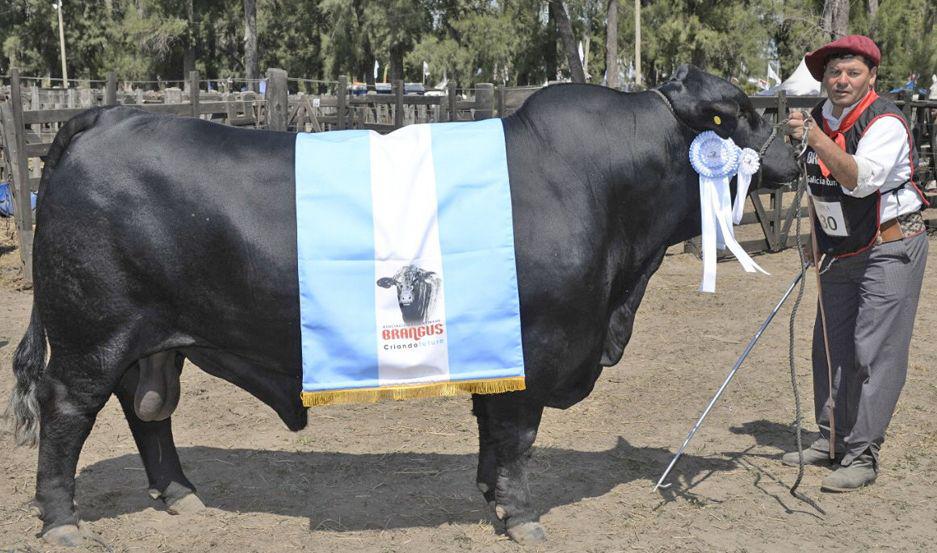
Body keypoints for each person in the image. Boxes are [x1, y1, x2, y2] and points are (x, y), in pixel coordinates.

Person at [783, 35, 929, 492]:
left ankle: (862, 453)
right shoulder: (821, 118)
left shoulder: (885, 120)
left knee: (874, 352)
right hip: (840, 249)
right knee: (829, 345)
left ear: (871, 78)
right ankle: (831, 439)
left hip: (890, 246)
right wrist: (814, 239)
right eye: (833, 72)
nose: (841, 80)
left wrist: (815, 138)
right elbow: (816, 185)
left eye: (852, 72)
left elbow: (859, 179)